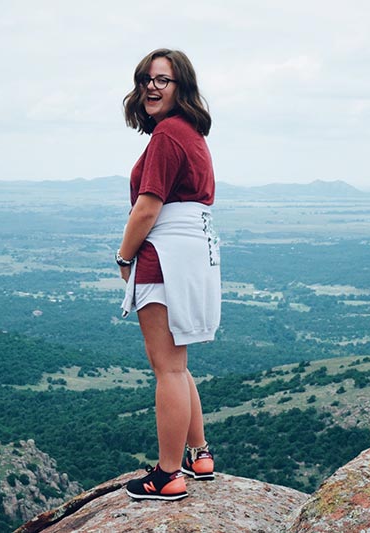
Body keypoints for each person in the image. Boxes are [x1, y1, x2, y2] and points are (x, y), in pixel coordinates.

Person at [116, 48, 221, 501]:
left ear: (183, 87)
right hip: (194, 252)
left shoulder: (167, 136)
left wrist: (124, 258)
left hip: (164, 254)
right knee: (179, 364)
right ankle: (199, 455)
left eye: (163, 80)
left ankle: (167, 475)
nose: (152, 87)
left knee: (168, 369)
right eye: (146, 80)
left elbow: (148, 206)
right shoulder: (191, 134)